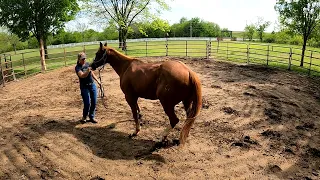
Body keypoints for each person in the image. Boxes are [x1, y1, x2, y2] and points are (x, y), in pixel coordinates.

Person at [75, 52, 101, 123]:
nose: (84, 60)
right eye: (82, 59)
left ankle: (92, 116)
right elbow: (82, 75)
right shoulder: (78, 67)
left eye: (85, 58)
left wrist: (97, 80)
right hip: (84, 87)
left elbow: (92, 73)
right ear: (79, 59)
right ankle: (84, 116)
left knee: (94, 101)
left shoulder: (87, 64)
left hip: (92, 84)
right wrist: (88, 70)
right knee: (87, 103)